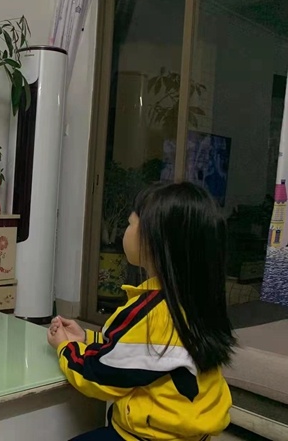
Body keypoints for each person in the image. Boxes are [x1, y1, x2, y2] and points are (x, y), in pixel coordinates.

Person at [47, 182, 236, 441]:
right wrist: (88, 339)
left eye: (130, 223)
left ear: (153, 241)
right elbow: (145, 354)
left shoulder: (153, 314)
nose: (124, 231)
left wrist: (66, 348)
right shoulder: (195, 301)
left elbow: (99, 375)